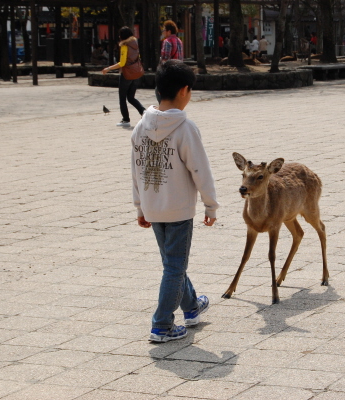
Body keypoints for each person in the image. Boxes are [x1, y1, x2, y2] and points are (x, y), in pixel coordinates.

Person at [131, 59, 219, 343]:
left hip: (154, 207)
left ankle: (192, 307)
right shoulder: (185, 128)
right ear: (184, 91)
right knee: (174, 266)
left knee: (173, 263)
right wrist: (210, 205)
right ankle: (162, 324)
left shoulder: (139, 129)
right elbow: (200, 170)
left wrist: (140, 207)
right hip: (179, 209)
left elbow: (136, 171)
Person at [102, 27, 145, 127]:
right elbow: (138, 58)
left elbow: (122, 63)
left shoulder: (125, 46)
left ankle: (126, 120)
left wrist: (108, 68)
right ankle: (143, 112)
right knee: (131, 97)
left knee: (122, 98)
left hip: (127, 74)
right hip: (136, 73)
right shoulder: (135, 44)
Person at [157, 20, 184, 103]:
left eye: (164, 30)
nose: (163, 32)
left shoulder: (167, 41)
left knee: (159, 92)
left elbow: (165, 58)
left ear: (169, 31)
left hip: (169, 72)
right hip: (179, 71)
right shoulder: (179, 41)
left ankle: (164, 110)